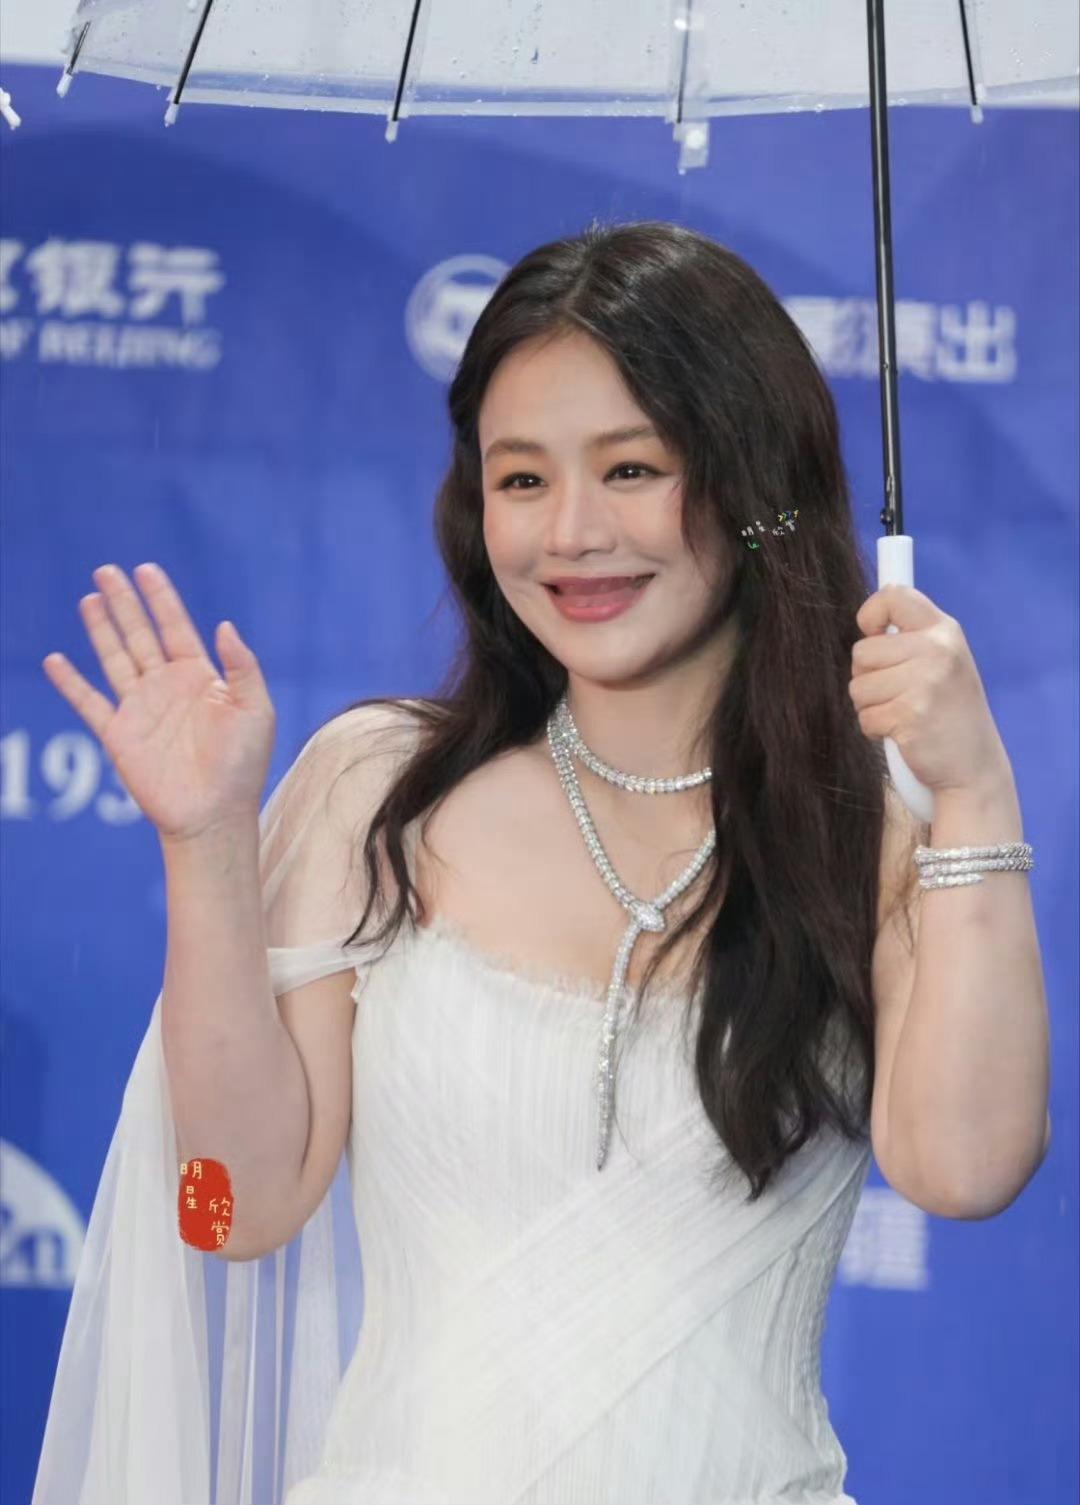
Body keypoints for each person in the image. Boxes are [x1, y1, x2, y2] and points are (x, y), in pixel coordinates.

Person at [32, 219, 924, 1505]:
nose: (572, 531)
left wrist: (970, 799)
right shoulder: (381, 791)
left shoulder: (875, 825)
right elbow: (229, 1206)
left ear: (751, 480)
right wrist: (207, 841)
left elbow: (971, 1167)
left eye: (632, 468)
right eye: (520, 479)